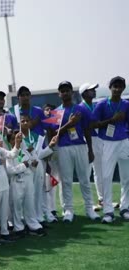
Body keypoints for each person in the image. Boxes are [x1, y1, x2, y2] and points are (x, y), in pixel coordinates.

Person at [54, 81, 99, 222]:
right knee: (66, 181)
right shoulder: (56, 112)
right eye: (62, 91)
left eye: (67, 90)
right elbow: (55, 133)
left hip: (80, 146)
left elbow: (87, 130)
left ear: (71, 92)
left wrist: (90, 150)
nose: (65, 93)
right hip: (63, 148)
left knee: (85, 179)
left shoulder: (81, 109)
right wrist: (70, 124)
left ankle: (89, 209)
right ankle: (68, 210)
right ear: (59, 94)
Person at [94, 76, 129, 223]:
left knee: (127, 177)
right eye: (115, 86)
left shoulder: (126, 104)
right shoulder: (102, 105)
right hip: (107, 143)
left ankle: (125, 207)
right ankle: (108, 211)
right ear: (110, 87)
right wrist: (111, 120)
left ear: (123, 88)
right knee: (107, 177)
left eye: (120, 86)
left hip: (124, 142)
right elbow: (94, 124)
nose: (117, 89)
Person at [5, 130, 46, 238]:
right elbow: (10, 170)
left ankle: (33, 224)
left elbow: (31, 168)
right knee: (17, 204)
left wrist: (33, 165)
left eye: (18, 139)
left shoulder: (25, 152)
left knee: (29, 203)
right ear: (9, 142)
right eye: (13, 139)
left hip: (28, 180)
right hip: (16, 181)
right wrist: (23, 166)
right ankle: (18, 226)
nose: (16, 141)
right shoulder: (9, 155)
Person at [78, 83, 104, 211]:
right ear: (84, 93)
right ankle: (88, 203)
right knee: (86, 172)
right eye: (91, 90)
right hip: (85, 141)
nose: (94, 91)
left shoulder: (95, 105)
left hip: (98, 140)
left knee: (99, 171)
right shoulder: (80, 107)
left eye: (94, 90)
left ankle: (102, 199)